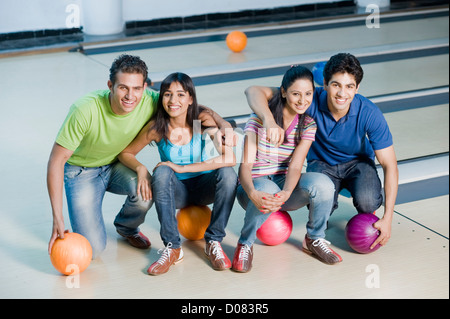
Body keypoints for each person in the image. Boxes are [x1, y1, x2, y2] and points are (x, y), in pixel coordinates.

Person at [47, 55, 234, 259]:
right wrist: (57, 217)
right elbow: (56, 162)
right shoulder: (85, 110)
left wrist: (223, 123)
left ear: (144, 87)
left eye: (136, 88)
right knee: (94, 249)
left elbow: (191, 106)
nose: (130, 96)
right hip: (82, 171)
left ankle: (127, 228)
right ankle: (161, 243)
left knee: (147, 189)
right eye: (123, 88)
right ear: (110, 85)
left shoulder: (154, 100)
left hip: (115, 164)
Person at [245, 53, 399, 262]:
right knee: (321, 202)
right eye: (336, 85)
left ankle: (355, 203)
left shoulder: (369, 113)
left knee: (368, 202)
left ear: (357, 88)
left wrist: (388, 217)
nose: (342, 93)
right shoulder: (308, 98)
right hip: (322, 164)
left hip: (358, 164)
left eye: (349, 86)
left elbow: (390, 165)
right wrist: (269, 120)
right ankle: (315, 236)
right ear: (324, 84)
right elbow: (253, 91)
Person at [118, 72, 238, 275]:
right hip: (176, 193)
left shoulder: (201, 119)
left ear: (190, 99)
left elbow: (229, 158)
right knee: (163, 171)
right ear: (161, 98)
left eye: (181, 94)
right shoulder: (157, 127)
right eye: (167, 94)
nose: (173, 100)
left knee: (228, 173)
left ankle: (214, 242)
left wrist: (182, 168)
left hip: (204, 188)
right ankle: (172, 247)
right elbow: (126, 152)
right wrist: (141, 169)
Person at [232, 65, 337, 272]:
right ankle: (244, 244)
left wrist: (287, 192)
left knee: (324, 184)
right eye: (296, 94)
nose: (302, 100)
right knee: (268, 189)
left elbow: (296, 165)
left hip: (282, 184)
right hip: (252, 188)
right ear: (283, 92)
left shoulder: (308, 124)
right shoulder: (258, 120)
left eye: (307, 94)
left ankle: (314, 239)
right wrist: (252, 192)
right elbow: (245, 167)